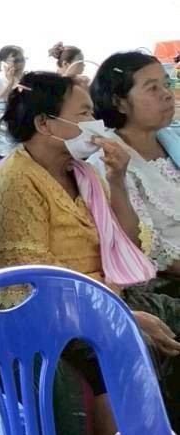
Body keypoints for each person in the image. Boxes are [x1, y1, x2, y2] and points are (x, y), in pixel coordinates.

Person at [0, 72, 180, 430]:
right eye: (83, 114)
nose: (94, 124)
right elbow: (32, 287)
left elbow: (128, 241)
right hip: (43, 311)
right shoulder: (16, 185)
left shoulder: (83, 174)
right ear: (45, 124)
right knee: (126, 347)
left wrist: (116, 180)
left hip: (104, 293)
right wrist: (121, 316)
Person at [93, 51, 180, 283]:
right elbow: (144, 243)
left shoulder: (173, 143)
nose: (167, 95)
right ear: (119, 103)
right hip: (162, 281)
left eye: (166, 84)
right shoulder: (110, 160)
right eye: (152, 88)